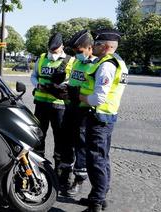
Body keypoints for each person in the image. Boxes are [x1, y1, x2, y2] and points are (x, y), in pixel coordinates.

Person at [78, 29, 128, 212]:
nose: (93, 47)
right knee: (103, 158)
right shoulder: (119, 61)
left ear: (106, 47)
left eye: (97, 44)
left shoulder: (107, 65)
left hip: (99, 116)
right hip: (107, 117)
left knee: (96, 160)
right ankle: (99, 195)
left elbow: (99, 97)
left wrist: (80, 97)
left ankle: (96, 203)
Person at [57, 30, 98, 196]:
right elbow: (73, 81)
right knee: (66, 142)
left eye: (80, 51)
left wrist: (77, 94)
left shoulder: (97, 64)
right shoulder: (76, 63)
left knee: (80, 146)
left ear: (90, 48)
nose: (77, 54)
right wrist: (65, 89)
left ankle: (79, 180)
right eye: (75, 51)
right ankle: (64, 175)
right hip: (70, 107)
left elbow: (96, 91)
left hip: (84, 110)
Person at [30, 33, 75, 168]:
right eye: (50, 50)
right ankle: (39, 164)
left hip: (59, 105)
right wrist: (38, 85)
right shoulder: (42, 58)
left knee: (60, 137)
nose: (52, 53)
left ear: (62, 46)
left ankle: (59, 167)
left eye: (55, 50)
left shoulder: (70, 61)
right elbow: (34, 76)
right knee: (38, 134)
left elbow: (73, 81)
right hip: (41, 103)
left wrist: (62, 86)